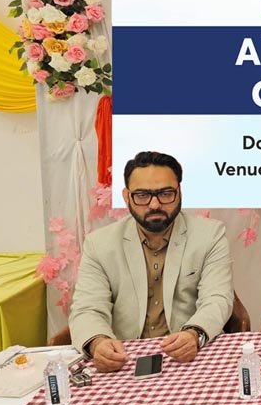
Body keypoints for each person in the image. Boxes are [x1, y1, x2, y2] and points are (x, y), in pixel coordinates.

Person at [69, 151, 234, 371]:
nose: (155, 204)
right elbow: (87, 308)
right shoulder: (99, 244)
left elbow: (217, 298)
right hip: (125, 360)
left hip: (188, 355)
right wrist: (98, 343)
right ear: (126, 196)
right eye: (142, 195)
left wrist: (195, 334)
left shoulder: (210, 235)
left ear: (179, 192)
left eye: (165, 193)